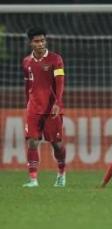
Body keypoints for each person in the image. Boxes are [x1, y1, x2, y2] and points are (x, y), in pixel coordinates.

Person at [22, 27, 66, 187]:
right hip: (33, 108)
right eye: (37, 41)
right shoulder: (26, 62)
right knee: (32, 142)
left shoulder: (56, 59)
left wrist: (58, 103)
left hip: (51, 109)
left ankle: (61, 173)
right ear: (30, 43)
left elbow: (60, 82)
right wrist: (28, 103)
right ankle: (33, 179)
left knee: (56, 144)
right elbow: (28, 85)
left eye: (42, 40)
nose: (40, 44)